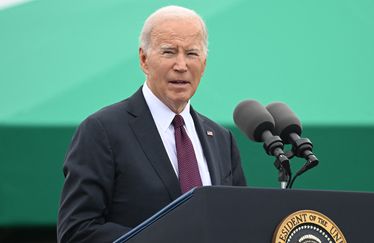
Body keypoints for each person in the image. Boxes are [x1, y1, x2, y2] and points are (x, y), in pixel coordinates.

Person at [57, 5, 247, 243]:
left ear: (204, 63)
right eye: (169, 52)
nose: (181, 65)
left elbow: (238, 223)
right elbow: (77, 231)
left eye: (191, 53)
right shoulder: (102, 131)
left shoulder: (221, 139)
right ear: (144, 59)